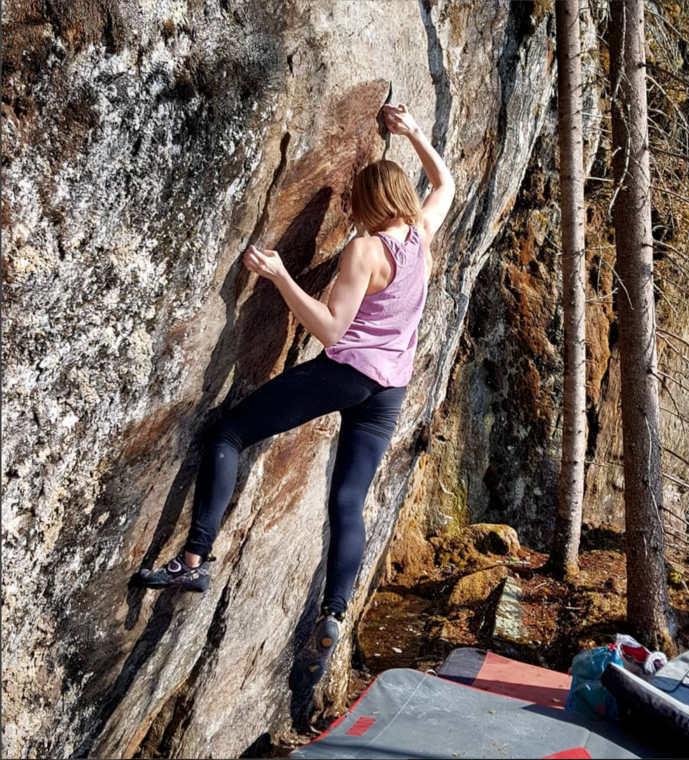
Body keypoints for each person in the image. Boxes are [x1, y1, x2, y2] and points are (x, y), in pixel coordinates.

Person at [136, 103, 455, 681]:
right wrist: (412, 133)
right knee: (348, 502)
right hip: (390, 390)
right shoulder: (422, 236)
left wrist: (280, 274)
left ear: (370, 203)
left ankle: (193, 560)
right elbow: (445, 183)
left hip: (348, 373)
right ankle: (334, 611)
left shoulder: (366, 251)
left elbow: (331, 329)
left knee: (229, 433)